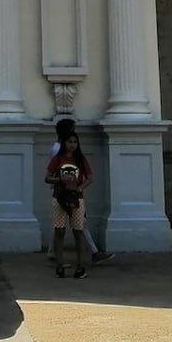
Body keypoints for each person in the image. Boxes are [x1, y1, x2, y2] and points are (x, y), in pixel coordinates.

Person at [46, 118, 113, 265]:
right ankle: (93, 253)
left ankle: (53, 254)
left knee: (61, 227)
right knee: (74, 225)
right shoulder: (60, 151)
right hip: (65, 192)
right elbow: (52, 174)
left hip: (67, 192)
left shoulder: (59, 149)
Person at [45, 132, 93, 278]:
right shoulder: (57, 159)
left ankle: (80, 266)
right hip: (59, 197)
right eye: (69, 142)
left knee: (78, 232)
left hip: (76, 199)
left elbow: (90, 177)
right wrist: (58, 179)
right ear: (64, 143)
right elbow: (47, 177)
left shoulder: (80, 159)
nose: (72, 145)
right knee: (59, 231)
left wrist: (80, 187)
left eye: (75, 142)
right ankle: (60, 265)